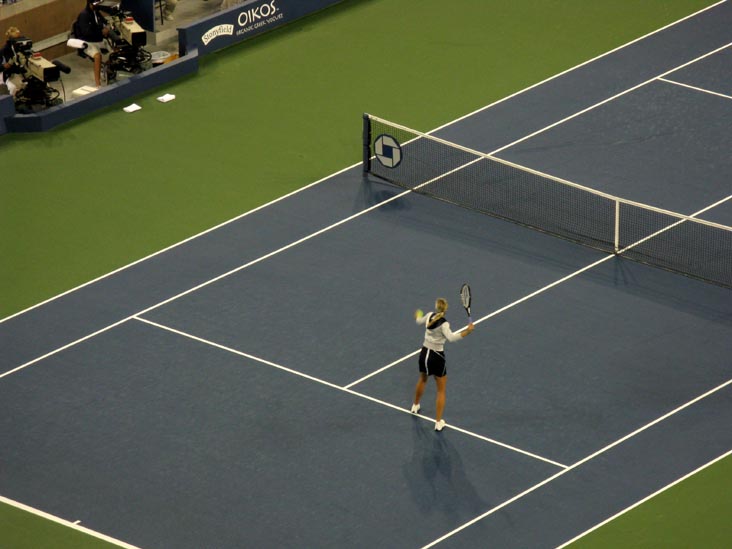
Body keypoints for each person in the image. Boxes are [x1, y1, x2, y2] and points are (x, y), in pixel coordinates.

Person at [411, 298, 474, 431]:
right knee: (441, 390)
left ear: (436, 307)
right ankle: (438, 422)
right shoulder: (445, 324)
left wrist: (418, 315)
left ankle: (415, 406)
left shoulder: (428, 316)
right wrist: (467, 332)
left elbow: (418, 320)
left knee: (422, 379)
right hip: (436, 358)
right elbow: (451, 338)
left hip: (424, 354)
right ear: (445, 310)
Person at [74, 0, 111, 87]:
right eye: (96, 3)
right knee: (98, 56)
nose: (98, 5)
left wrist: (107, 27)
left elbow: (104, 22)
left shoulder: (97, 12)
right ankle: (98, 84)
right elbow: (86, 33)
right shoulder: (84, 15)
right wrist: (101, 32)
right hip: (88, 41)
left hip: (98, 39)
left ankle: (106, 69)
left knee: (115, 52)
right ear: (90, 4)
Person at [1, 27, 23, 97]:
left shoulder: (23, 46)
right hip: (12, 75)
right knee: (12, 88)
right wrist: (4, 66)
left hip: (24, 72)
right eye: (16, 39)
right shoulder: (4, 51)